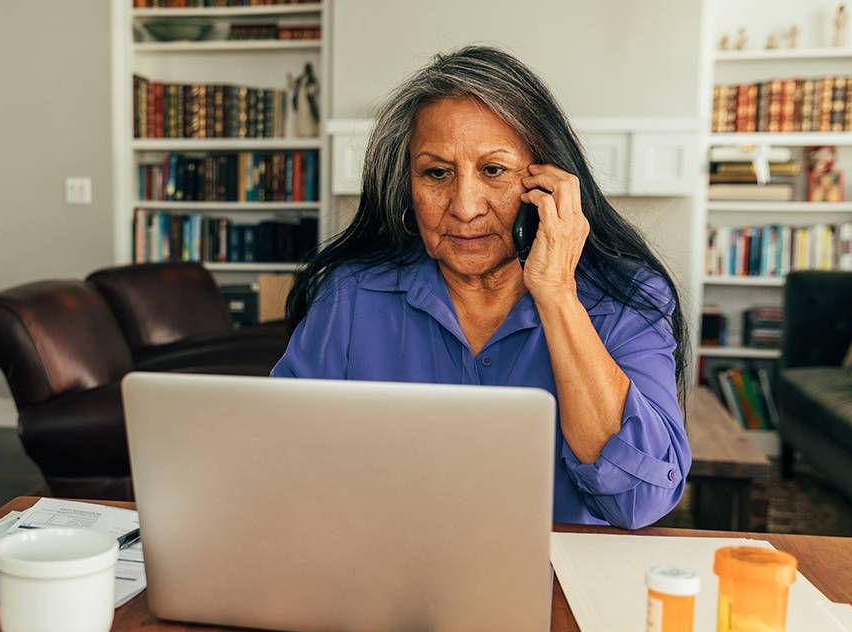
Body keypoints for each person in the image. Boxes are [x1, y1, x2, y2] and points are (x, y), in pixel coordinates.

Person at [273, 46, 691, 530]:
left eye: (493, 171)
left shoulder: (625, 299)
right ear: (407, 185)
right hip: (387, 578)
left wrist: (557, 295)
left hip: (554, 586)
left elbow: (639, 502)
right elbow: (283, 463)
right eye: (436, 173)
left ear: (547, 183)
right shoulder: (351, 295)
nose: (465, 206)